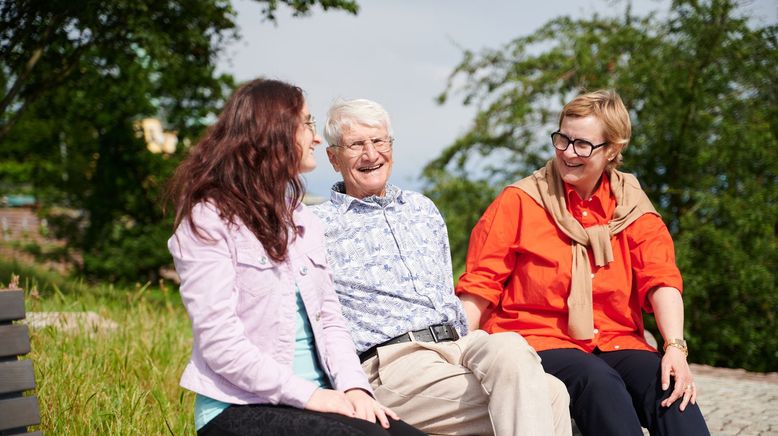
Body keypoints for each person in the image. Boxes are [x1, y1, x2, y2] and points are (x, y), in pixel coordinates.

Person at [166, 79, 423, 436]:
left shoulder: (302, 221)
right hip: (240, 407)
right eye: (307, 124)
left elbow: (331, 319)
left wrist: (354, 388)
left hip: (321, 400)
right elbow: (221, 344)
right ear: (274, 132)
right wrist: (314, 396)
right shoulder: (208, 221)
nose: (316, 138)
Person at [456, 89, 710, 436]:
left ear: (613, 150)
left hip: (617, 339)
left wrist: (675, 349)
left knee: (667, 382)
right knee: (598, 381)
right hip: (539, 339)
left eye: (583, 145)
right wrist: (453, 352)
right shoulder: (520, 201)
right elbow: (480, 285)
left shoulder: (632, 207)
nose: (567, 153)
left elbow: (661, 279)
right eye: (562, 139)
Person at [311, 98, 571, 436]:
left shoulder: (422, 209)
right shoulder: (316, 225)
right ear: (333, 158)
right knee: (551, 394)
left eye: (378, 142)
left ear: (391, 146)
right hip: (393, 361)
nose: (371, 154)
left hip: (457, 345)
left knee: (510, 346)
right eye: (356, 145)